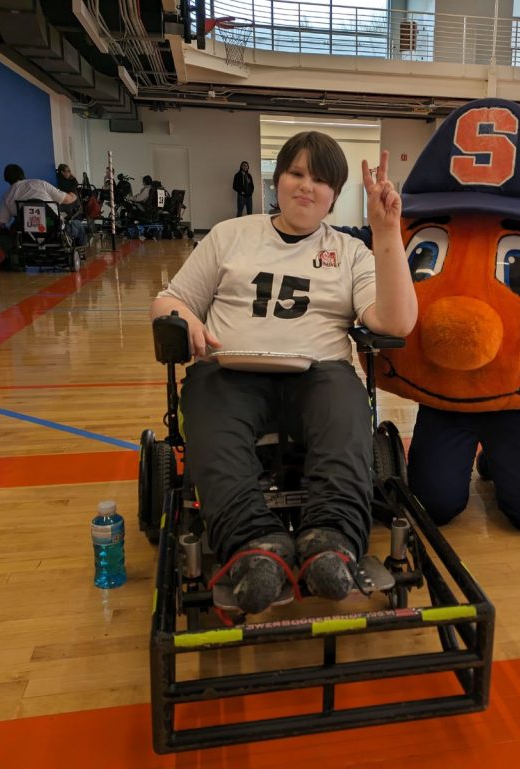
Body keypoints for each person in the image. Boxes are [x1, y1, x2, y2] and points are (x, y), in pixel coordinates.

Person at [150, 132, 416, 615]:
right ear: (278, 180)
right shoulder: (231, 234)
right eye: (296, 173)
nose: (305, 187)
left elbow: (395, 323)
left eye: (320, 179)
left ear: (335, 194)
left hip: (319, 373)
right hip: (230, 369)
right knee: (211, 417)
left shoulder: (352, 252)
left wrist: (387, 233)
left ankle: (330, 540)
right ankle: (255, 547)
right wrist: (183, 316)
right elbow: (170, 299)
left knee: (346, 406)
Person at [0, 163, 87, 246]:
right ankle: (81, 254)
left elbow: (0, 223)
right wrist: (74, 193)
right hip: (55, 230)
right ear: (22, 174)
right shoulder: (38, 183)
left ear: (6, 179)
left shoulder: (6, 196)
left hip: (28, 236)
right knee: (78, 225)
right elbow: (67, 200)